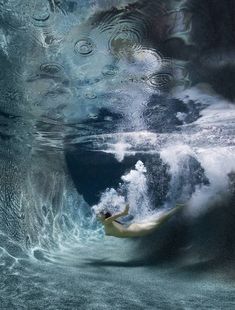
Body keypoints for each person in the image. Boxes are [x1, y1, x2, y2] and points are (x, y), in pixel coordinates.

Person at [97, 204, 184, 238]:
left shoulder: (107, 221)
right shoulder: (107, 223)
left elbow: (118, 215)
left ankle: (177, 208)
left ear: (104, 216)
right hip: (133, 227)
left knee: (159, 222)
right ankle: (175, 207)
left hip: (136, 230)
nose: (97, 214)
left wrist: (124, 212)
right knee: (157, 220)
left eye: (99, 213)